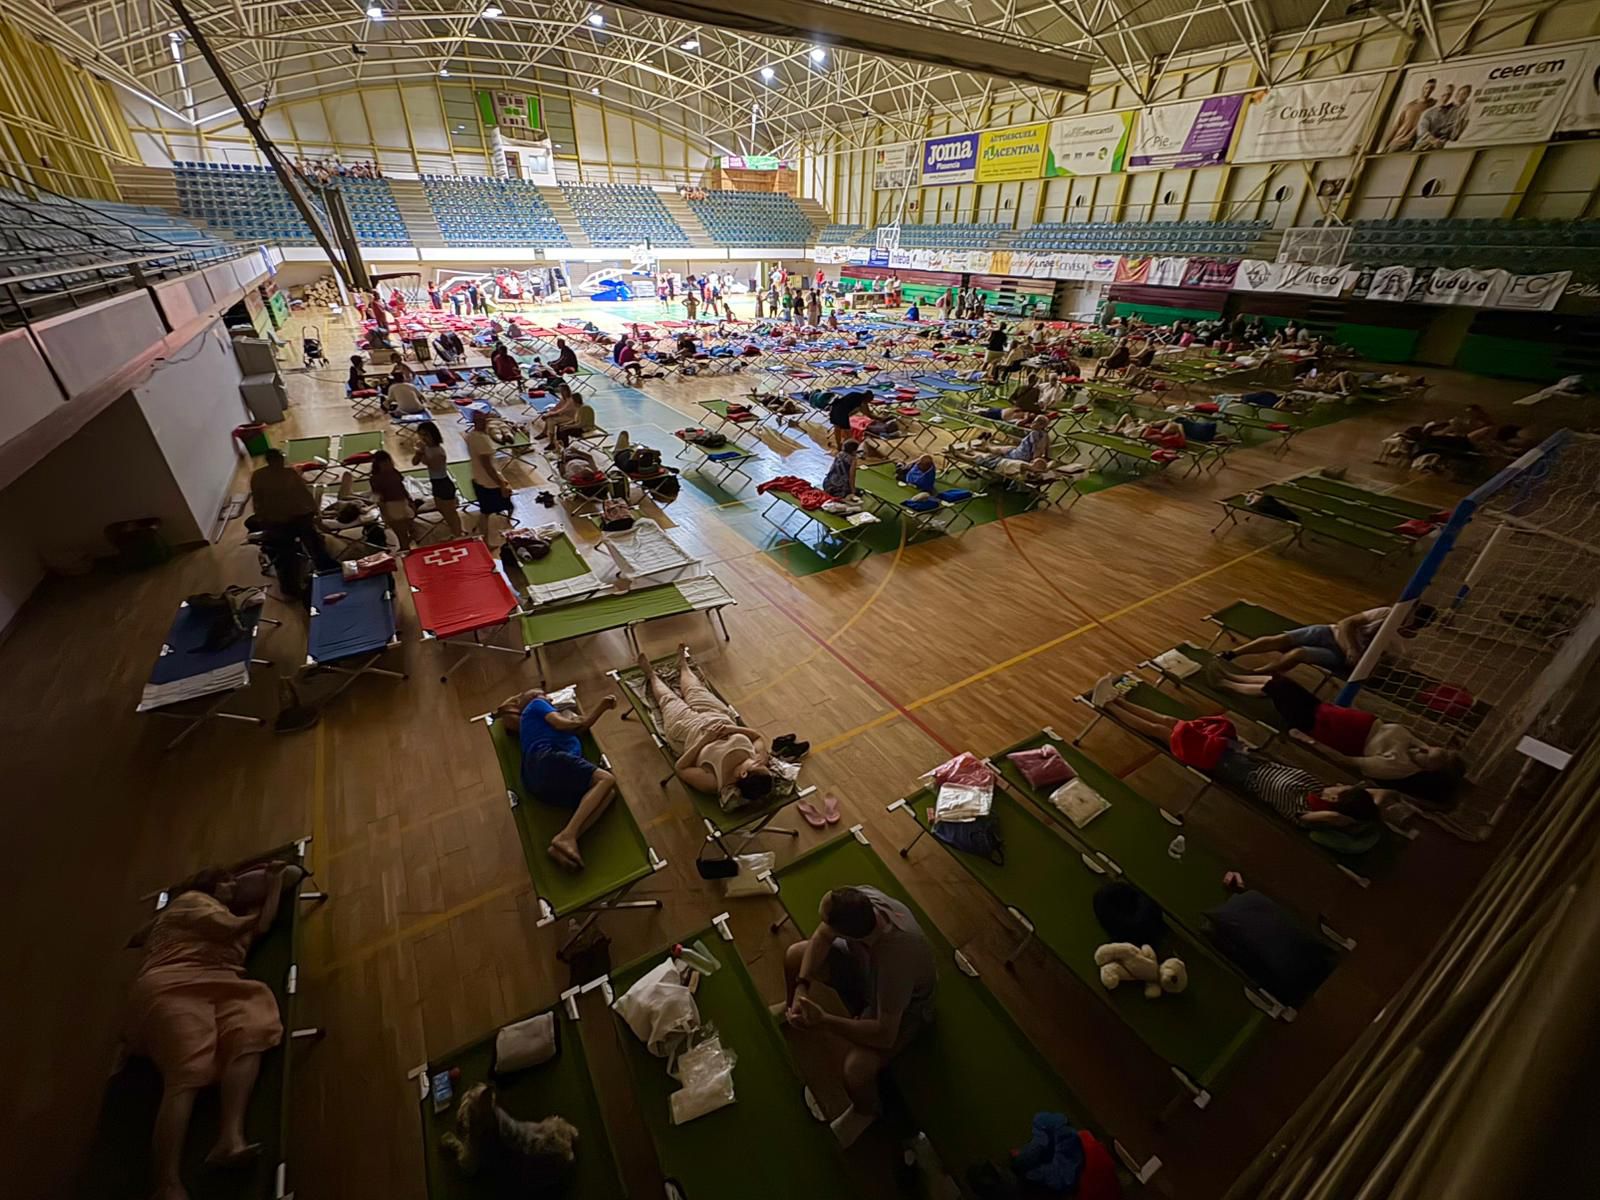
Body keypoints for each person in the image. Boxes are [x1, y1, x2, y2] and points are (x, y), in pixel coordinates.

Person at [126, 860, 296, 1199]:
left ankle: (229, 1138)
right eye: (226, 882)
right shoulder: (192, 902)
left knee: (252, 1026)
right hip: (171, 982)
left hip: (220, 980)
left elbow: (262, 924)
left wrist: (275, 883)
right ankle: (165, 1183)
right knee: (190, 1067)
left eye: (235, 882)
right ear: (210, 887)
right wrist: (256, 896)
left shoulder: (231, 917)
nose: (233, 886)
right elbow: (230, 927)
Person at [1089, 681, 1388, 829]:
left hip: (1226, 764)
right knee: (1170, 722)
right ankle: (1118, 700)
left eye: (1342, 789)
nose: (1340, 784)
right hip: (1241, 752)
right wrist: (1364, 805)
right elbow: (1380, 794)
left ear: (1336, 802)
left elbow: (1336, 818)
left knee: (1160, 731)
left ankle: (1109, 706)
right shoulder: (1319, 787)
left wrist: (1350, 818)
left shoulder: (1304, 810)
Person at [782, 883, 936, 1147]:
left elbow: (885, 1034)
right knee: (796, 955)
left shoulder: (897, 959)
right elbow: (821, 936)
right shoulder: (862, 900)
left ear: (847, 932)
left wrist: (825, 1022)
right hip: (866, 968)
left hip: (905, 1006)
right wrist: (801, 987)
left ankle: (866, 1111)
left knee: (856, 1070)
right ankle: (792, 1009)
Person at [1204, 666, 1465, 800]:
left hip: (1321, 727)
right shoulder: (1415, 747)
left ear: (1428, 769)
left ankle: (1224, 683)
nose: (1423, 748)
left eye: (1428, 754)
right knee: (1282, 682)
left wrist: (1307, 740)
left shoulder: (1397, 766)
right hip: (1328, 713)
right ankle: (1232, 676)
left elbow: (1347, 761)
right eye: (1430, 746)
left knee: (1277, 688)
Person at [495, 688, 620, 869]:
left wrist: (601, 708)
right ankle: (567, 835)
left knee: (608, 794)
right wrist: (592, 710)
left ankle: (567, 839)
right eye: (546, 695)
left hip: (538, 782)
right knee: (606, 780)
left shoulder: (533, 726)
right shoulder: (536, 704)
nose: (550, 699)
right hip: (548, 759)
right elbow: (566, 725)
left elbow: (580, 727)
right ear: (532, 697)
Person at [637, 645, 774, 803]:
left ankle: (651, 675)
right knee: (695, 690)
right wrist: (732, 728)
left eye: (756, 764)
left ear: (743, 774)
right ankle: (683, 665)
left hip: (688, 731)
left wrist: (705, 740)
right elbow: (756, 736)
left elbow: (681, 768)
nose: (760, 761)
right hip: (719, 716)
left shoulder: (714, 782)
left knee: (669, 700)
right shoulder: (758, 760)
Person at [1220, 605, 1404, 677]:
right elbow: (1346, 623)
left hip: (1338, 655)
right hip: (1329, 632)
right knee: (1282, 639)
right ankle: (1232, 654)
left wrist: (1364, 660)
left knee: (1298, 654)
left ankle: (1255, 673)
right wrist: (1354, 648)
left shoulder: (1402, 646)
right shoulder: (1386, 613)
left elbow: (1379, 670)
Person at [250, 449, 337, 595]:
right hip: (287, 520)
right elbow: (304, 496)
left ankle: (291, 586)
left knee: (290, 550)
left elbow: (257, 501)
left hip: (277, 521)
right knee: (310, 543)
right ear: (278, 460)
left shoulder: (259, 476)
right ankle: (326, 569)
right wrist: (315, 514)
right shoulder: (287, 474)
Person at [409, 420, 463, 538]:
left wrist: (421, 452)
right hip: (435, 483)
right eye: (421, 434)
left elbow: (432, 464)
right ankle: (454, 532)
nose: (423, 438)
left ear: (433, 435)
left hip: (444, 483)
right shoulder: (424, 447)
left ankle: (459, 534)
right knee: (441, 509)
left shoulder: (439, 451)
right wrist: (419, 453)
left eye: (426, 435)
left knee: (451, 513)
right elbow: (414, 462)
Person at [465, 409, 513, 535]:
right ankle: (487, 539)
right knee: (488, 512)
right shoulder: (482, 440)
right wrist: (501, 483)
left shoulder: (471, 435)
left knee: (485, 511)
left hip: (478, 478)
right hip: (489, 482)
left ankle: (491, 534)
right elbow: (488, 466)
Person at [368, 450, 416, 551]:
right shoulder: (376, 479)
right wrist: (385, 512)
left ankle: (406, 549)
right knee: (401, 534)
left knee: (407, 532)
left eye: (389, 461)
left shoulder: (393, 472)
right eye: (385, 462)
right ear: (379, 464)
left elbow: (402, 487)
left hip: (402, 503)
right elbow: (379, 498)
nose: (389, 464)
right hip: (391, 506)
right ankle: (405, 550)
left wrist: (409, 500)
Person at [536, 383, 581, 448]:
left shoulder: (570, 400)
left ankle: (551, 442)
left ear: (565, 391)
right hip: (563, 415)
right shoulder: (563, 398)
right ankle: (545, 433)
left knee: (550, 419)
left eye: (561, 390)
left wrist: (549, 415)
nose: (560, 392)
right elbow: (557, 406)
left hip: (570, 418)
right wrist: (549, 412)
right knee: (549, 417)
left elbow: (562, 410)